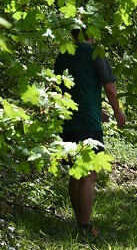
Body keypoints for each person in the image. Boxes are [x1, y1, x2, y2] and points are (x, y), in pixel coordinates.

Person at [54, 29, 126, 237]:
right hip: (87, 122)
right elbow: (110, 88)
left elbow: (64, 88)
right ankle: (84, 226)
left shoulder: (64, 52)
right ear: (92, 33)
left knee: (76, 172)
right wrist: (117, 111)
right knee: (89, 173)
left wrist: (94, 107)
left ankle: (78, 223)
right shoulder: (95, 52)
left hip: (67, 119)